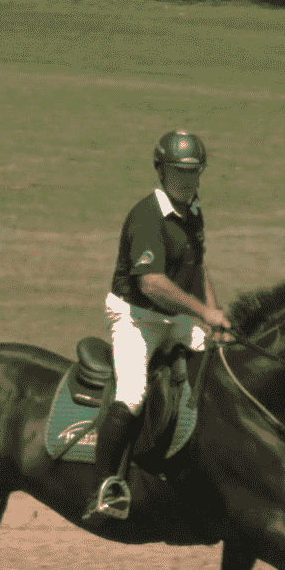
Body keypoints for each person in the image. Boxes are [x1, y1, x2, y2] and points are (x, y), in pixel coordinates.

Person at [85, 129, 234, 521]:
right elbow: (151, 283)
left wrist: (214, 315)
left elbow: (197, 267)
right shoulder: (147, 215)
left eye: (193, 170)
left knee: (217, 362)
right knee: (133, 395)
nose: (187, 179)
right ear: (161, 170)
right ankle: (103, 488)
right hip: (136, 317)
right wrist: (202, 313)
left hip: (174, 316)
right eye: (179, 171)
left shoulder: (193, 211)